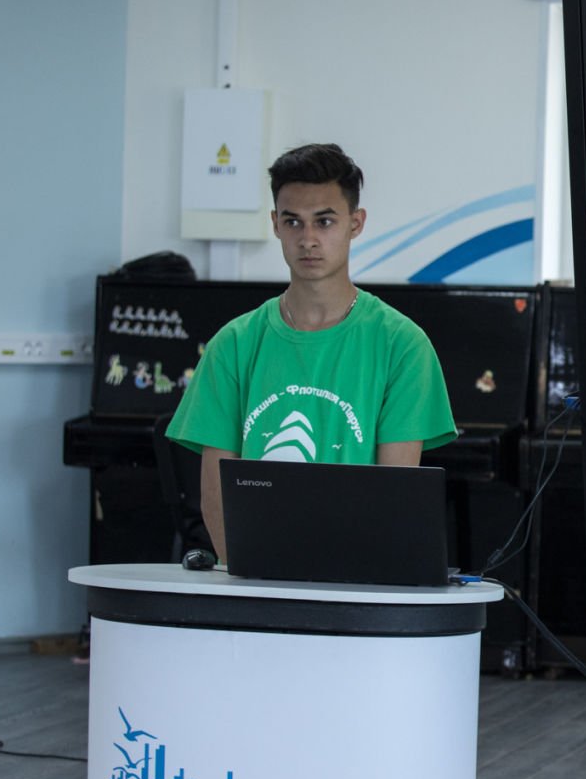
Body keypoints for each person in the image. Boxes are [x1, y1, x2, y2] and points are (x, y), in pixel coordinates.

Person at [167, 143, 456, 560]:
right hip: (255, 576)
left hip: (357, 576)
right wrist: (251, 583)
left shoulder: (403, 345)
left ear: (355, 223)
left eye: (324, 221)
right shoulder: (232, 344)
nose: (308, 240)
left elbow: (393, 500)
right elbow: (217, 501)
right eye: (293, 222)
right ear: (275, 225)